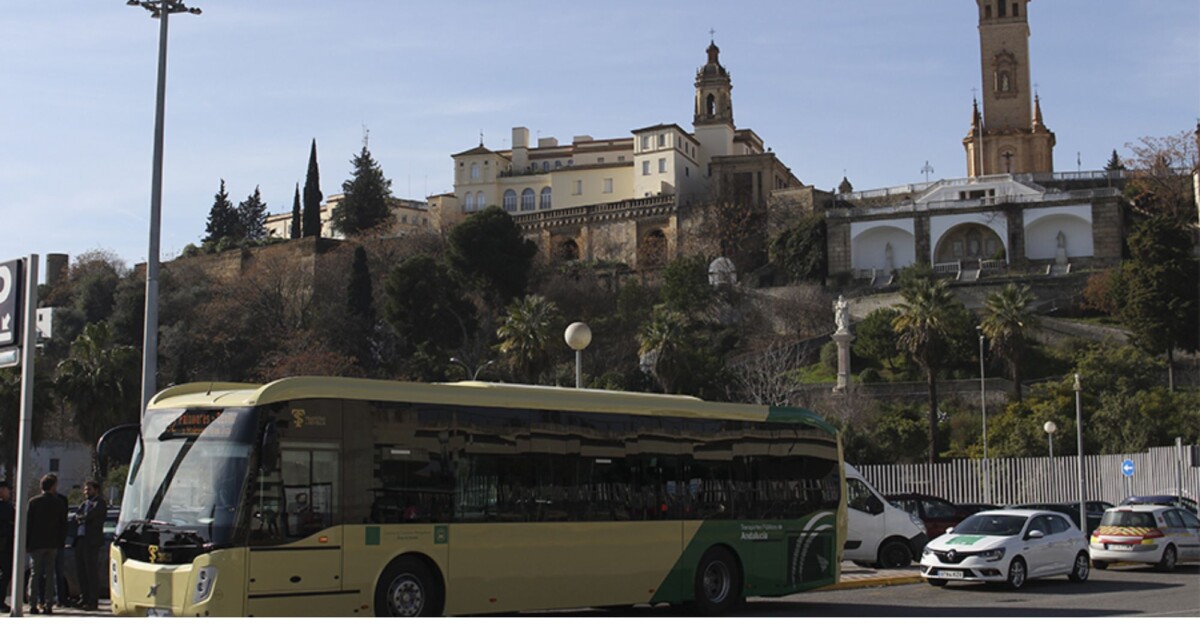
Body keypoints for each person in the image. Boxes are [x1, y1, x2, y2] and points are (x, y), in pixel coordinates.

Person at [26, 474, 67, 615]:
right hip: (52, 543)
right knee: (50, 574)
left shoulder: (33, 502)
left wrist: (27, 543)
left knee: (35, 574)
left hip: (36, 543)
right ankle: (49, 604)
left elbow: (28, 524)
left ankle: (33, 603)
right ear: (53, 486)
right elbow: (63, 525)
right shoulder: (59, 503)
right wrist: (61, 541)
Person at [73, 480, 107, 611]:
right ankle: (84, 597)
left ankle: (93, 600)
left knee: (90, 571)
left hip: (91, 541)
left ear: (96, 490)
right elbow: (77, 516)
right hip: (80, 539)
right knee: (81, 570)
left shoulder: (99, 503)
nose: (86, 492)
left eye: (89, 489)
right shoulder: (84, 504)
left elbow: (89, 516)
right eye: (85, 490)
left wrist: (83, 517)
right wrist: (81, 517)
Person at [0, 481, 14, 614]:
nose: (9, 492)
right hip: (4, 545)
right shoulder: (5, 507)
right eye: (8, 489)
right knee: (5, 574)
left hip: (5, 544)